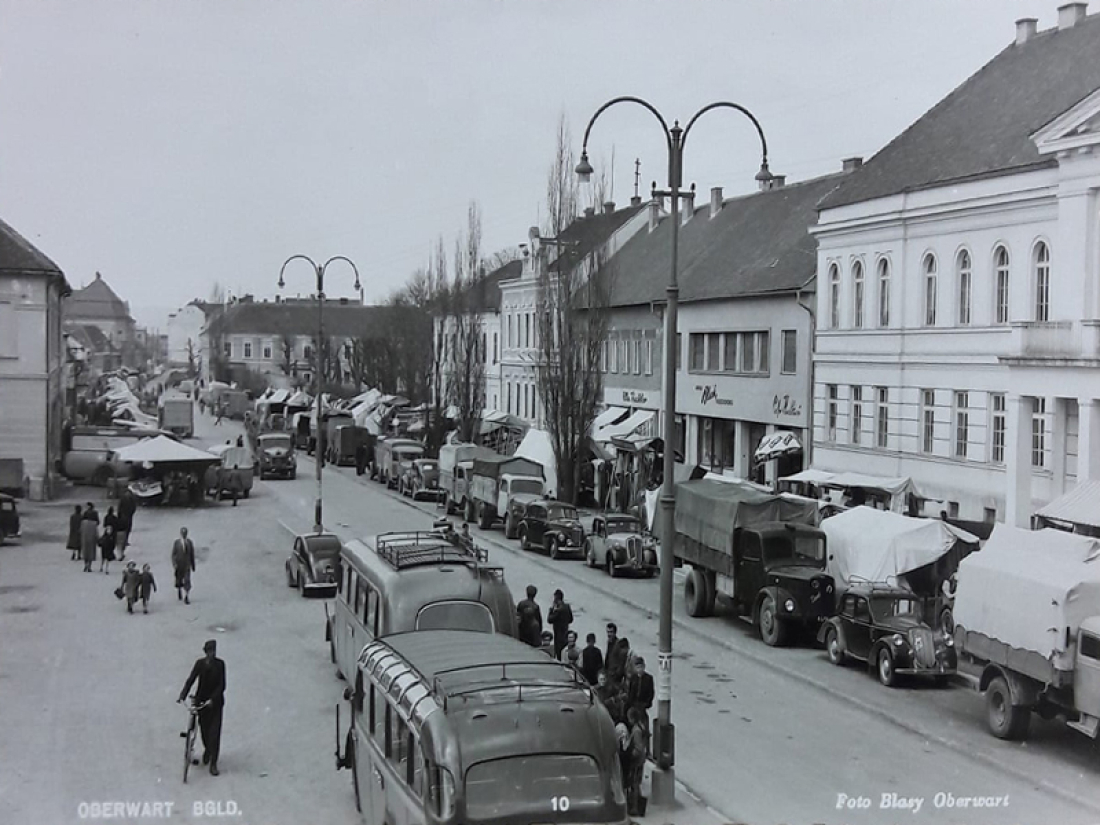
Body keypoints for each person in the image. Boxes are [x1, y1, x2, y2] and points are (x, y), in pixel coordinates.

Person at [178, 640, 226, 776]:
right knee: (204, 731)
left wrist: (213, 699)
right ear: (205, 652)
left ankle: (213, 764)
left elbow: (222, 685)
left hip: (215, 704)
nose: (212, 654)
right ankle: (208, 750)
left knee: (214, 733)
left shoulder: (220, 665)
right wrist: (183, 694)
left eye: (213, 651)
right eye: (209, 651)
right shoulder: (199, 664)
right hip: (202, 703)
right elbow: (191, 679)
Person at [625, 706, 651, 816]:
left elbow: (638, 748)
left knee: (634, 784)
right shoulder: (642, 727)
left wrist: (631, 755)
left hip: (636, 761)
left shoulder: (636, 731)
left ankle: (635, 807)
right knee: (637, 784)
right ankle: (638, 804)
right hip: (641, 760)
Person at [625, 656, 655, 723]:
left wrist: (647, 703)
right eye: (638, 667)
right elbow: (630, 691)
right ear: (635, 668)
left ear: (644, 667)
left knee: (643, 718)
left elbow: (651, 692)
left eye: (641, 667)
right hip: (634, 702)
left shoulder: (649, 678)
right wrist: (630, 702)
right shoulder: (633, 678)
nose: (640, 669)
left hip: (643, 703)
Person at [172, 527, 196, 604]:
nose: (184, 534)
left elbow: (192, 554)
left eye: (185, 533)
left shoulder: (189, 542)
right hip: (179, 565)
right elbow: (173, 554)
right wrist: (174, 564)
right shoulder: (176, 543)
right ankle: (179, 590)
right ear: (181, 534)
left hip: (187, 565)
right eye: (183, 533)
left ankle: (186, 596)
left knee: (187, 580)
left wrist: (193, 565)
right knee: (179, 580)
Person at [547, 589, 574, 659]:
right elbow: (571, 619)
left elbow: (549, 620)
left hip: (558, 635)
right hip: (566, 632)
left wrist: (551, 610)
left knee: (559, 654)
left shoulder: (557, 610)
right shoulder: (567, 607)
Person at [116, 491, 136, 561]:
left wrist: (119, 515)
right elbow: (134, 507)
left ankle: (121, 548)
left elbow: (119, 507)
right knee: (127, 531)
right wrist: (131, 514)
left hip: (123, 517)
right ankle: (125, 541)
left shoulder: (122, 498)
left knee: (122, 532)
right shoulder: (132, 498)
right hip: (128, 517)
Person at [80, 503, 100, 573]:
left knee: (85, 548)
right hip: (92, 530)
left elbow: (81, 522)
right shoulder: (95, 513)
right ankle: (89, 565)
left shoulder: (85, 513)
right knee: (91, 549)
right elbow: (98, 522)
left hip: (85, 531)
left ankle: (86, 564)